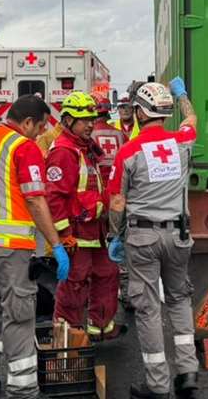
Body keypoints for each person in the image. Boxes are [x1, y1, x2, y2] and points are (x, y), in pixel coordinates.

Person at [0, 95, 71, 399]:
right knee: (19, 314)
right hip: (12, 248)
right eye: (39, 127)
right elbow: (35, 199)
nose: (40, 134)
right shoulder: (24, 147)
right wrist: (55, 244)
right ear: (27, 122)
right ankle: (22, 389)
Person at [107, 78, 200, 399]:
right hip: (179, 235)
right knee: (179, 299)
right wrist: (182, 94)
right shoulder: (182, 142)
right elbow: (191, 120)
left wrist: (114, 235)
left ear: (141, 113)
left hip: (143, 237)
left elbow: (117, 203)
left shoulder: (128, 152)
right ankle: (188, 372)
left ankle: (157, 385)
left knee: (147, 309)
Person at [46, 92, 123, 341]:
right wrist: (63, 236)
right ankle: (68, 335)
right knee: (74, 283)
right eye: (84, 120)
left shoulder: (85, 148)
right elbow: (55, 198)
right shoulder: (63, 152)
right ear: (68, 120)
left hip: (96, 229)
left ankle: (100, 327)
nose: (91, 124)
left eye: (92, 118)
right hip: (76, 232)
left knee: (107, 275)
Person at [90, 94, 131, 308]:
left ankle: (98, 291)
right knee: (119, 241)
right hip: (119, 195)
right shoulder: (120, 135)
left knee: (98, 245)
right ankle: (126, 292)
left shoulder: (89, 136)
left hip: (97, 196)